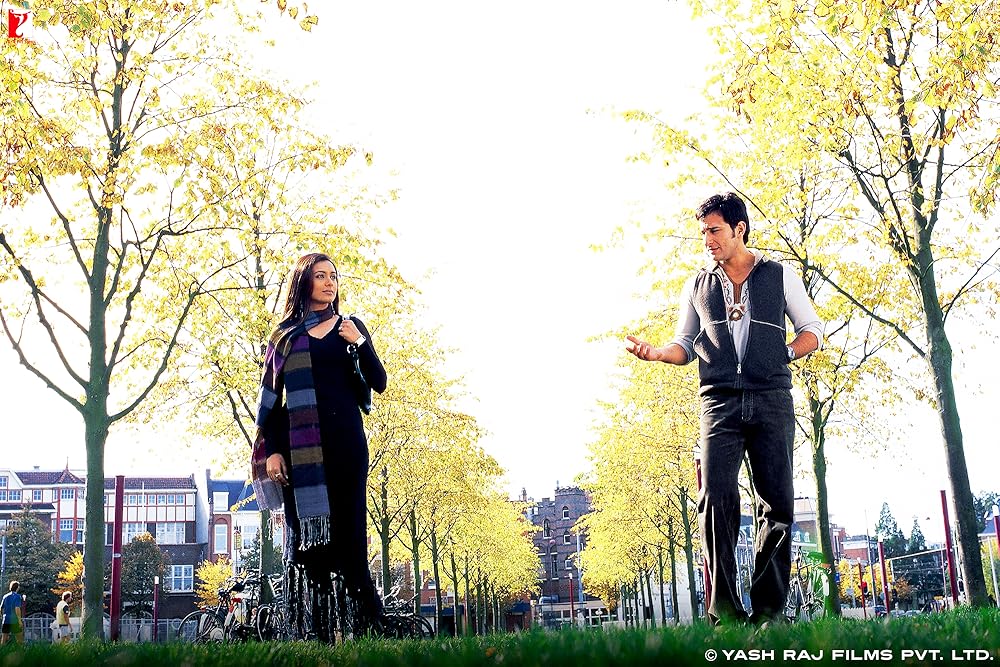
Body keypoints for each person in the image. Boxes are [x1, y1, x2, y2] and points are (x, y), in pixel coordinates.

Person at [626, 192, 823, 626]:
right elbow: (684, 345)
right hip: (718, 402)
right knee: (715, 498)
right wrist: (657, 353)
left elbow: (812, 330)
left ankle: (769, 612)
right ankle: (726, 613)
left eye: (714, 231)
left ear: (739, 229)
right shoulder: (697, 285)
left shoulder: (780, 275)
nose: (707, 241)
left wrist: (785, 352)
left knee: (777, 503)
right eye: (703, 233)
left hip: (771, 397)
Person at [250, 252, 388, 642]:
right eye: (321, 276)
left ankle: (371, 630)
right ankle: (315, 634)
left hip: (347, 448)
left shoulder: (349, 327)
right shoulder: (284, 337)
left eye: (334, 277)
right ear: (304, 282)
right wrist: (273, 450)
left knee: (351, 541)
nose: (330, 283)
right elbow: (271, 402)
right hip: (302, 456)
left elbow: (378, 382)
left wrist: (360, 343)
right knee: (310, 545)